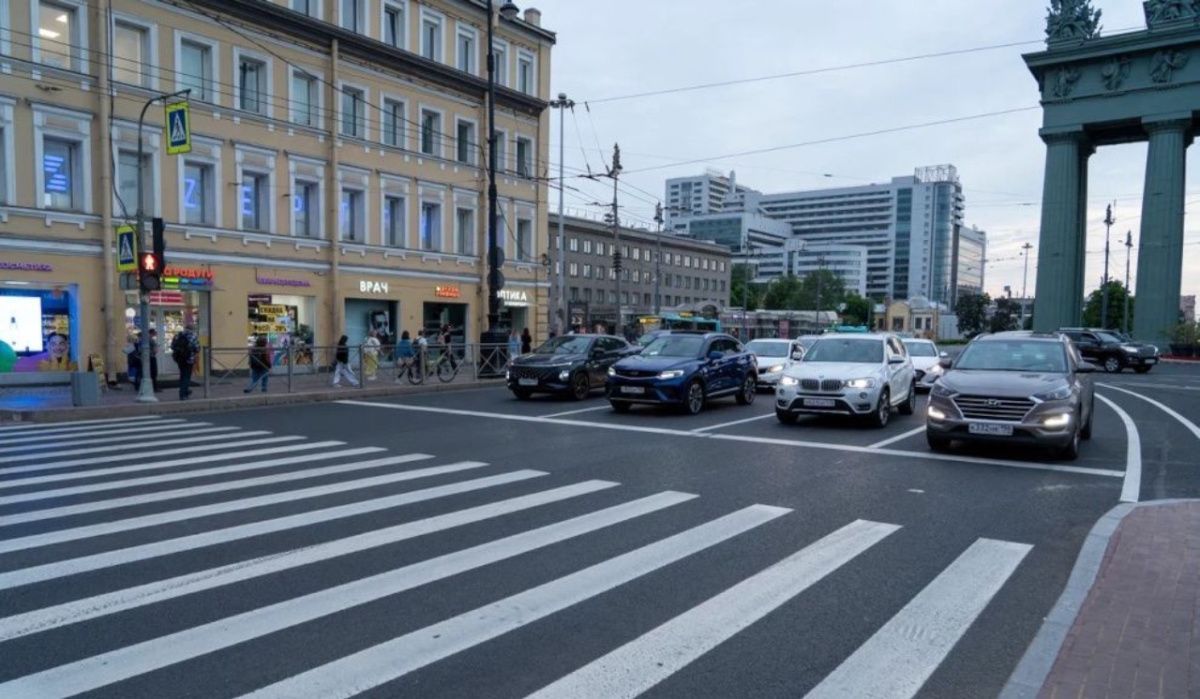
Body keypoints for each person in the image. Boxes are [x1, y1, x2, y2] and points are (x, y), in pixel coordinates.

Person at [170, 325, 200, 400]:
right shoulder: (193, 336)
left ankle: (185, 391)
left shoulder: (178, 335)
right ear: (192, 329)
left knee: (182, 375)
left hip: (179, 359)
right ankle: (183, 394)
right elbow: (197, 348)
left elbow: (172, 346)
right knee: (187, 376)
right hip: (189, 359)